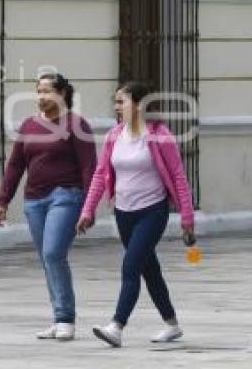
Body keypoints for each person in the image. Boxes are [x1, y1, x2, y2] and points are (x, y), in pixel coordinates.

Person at [76, 81, 196, 348]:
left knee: (131, 265)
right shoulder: (113, 136)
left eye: (122, 101)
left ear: (139, 104)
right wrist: (88, 210)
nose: (117, 106)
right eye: (116, 102)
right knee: (149, 270)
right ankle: (172, 324)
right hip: (124, 213)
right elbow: (100, 174)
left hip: (152, 212)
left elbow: (178, 177)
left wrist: (187, 219)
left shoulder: (159, 135)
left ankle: (116, 326)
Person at [0, 73, 97, 341]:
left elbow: (89, 167)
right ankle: (58, 318)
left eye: (47, 91)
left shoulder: (76, 124)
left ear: (62, 94)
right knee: (47, 260)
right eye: (38, 91)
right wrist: (3, 200)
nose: (42, 97)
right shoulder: (29, 125)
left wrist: (89, 207)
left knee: (53, 254)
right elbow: (15, 165)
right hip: (34, 200)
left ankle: (65, 319)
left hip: (66, 196)